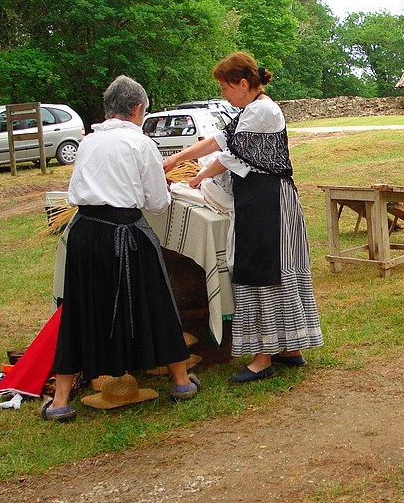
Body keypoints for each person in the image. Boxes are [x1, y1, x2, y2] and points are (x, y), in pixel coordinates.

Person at [163, 51, 323, 384]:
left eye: (225, 87)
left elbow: (227, 156)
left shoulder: (262, 111)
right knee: (274, 270)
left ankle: (264, 358)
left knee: (261, 270)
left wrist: (194, 180)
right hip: (262, 199)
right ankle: (289, 349)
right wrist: (175, 158)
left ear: (243, 84)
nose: (223, 94)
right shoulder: (250, 109)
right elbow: (218, 140)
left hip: (267, 202)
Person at [44, 76, 197, 422]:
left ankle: (61, 401)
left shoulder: (88, 142)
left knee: (79, 309)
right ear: (137, 109)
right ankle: (181, 381)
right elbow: (157, 203)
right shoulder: (140, 143)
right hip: (124, 233)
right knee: (156, 300)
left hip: (84, 233)